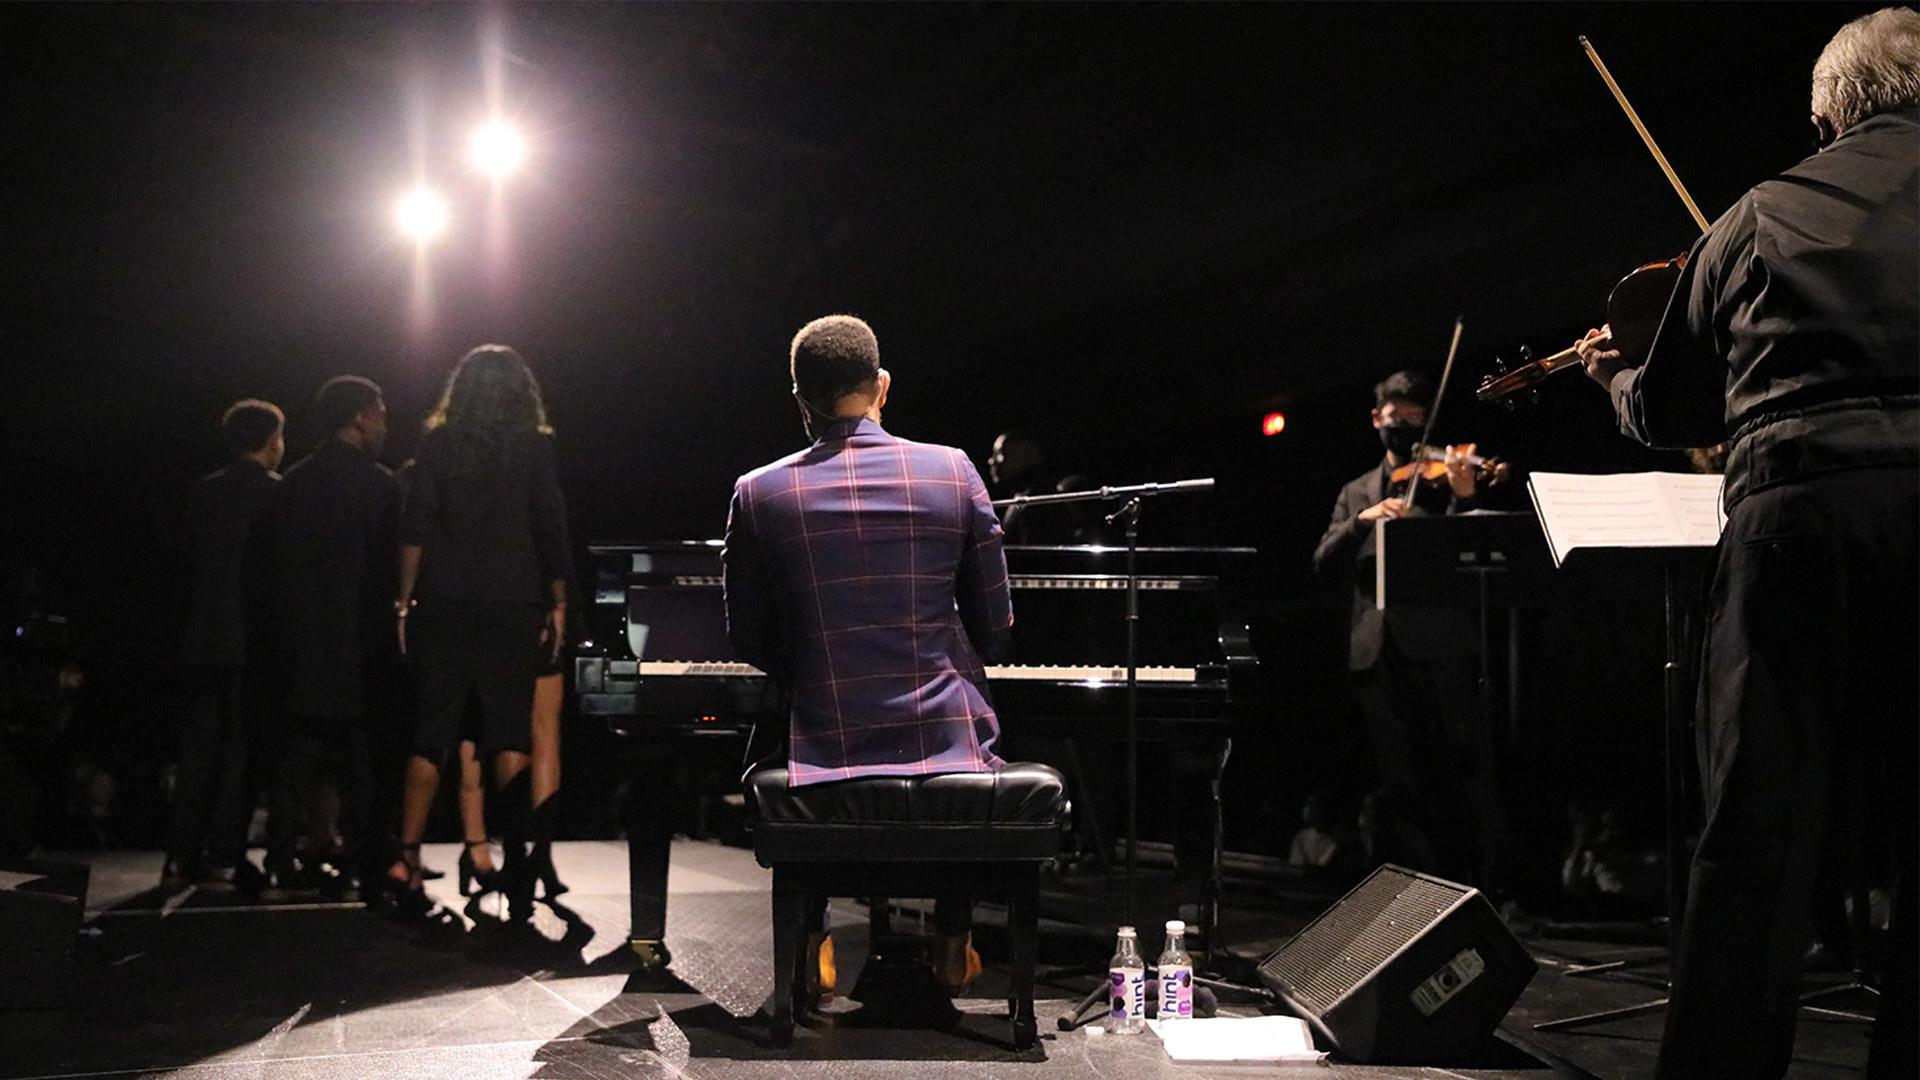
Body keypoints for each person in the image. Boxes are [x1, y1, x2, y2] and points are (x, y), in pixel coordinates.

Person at [1573, 10, 1918, 1076]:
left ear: (1825, 111)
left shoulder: (1761, 214)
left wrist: (1611, 378)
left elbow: (1673, 407)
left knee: (1758, 833)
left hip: (1798, 532)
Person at [724, 314, 1013, 993]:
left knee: (779, 732)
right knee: (968, 733)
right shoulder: (954, 469)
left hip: (822, 737)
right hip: (941, 733)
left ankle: (813, 933)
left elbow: (747, 638)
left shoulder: (757, 491)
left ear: (800, 401)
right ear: (882, 386)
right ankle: (952, 935)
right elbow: (995, 624)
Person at [1311, 369, 1516, 892]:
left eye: (1412, 417)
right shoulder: (1356, 491)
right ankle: (1409, 889)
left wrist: (1465, 496)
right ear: (1376, 420)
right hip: (1377, 650)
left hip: (1439, 643)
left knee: (1455, 769)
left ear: (1426, 419)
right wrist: (1363, 521)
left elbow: (1475, 552)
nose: (1400, 425)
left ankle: (1467, 884)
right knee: (1396, 778)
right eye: (1392, 417)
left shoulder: (1442, 478)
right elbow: (1322, 560)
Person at [387, 345, 571, 925]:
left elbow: (416, 522)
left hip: (444, 599)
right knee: (510, 734)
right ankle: (517, 864)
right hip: (512, 601)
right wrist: (559, 600)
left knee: (431, 732)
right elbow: (551, 523)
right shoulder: (534, 446)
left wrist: (404, 599)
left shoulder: (438, 443)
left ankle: (406, 857)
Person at [269, 376, 399, 893]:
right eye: (381, 411)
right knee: (363, 762)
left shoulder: (294, 483)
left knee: (296, 758)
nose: (386, 422)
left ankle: (282, 853)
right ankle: (365, 860)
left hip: (301, 641)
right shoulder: (382, 486)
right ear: (362, 418)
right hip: (361, 643)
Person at [164, 400, 284, 890]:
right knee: (241, 750)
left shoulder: (203, 492)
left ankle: (180, 852)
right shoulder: (276, 495)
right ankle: (226, 851)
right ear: (271, 440)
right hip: (250, 638)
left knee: (197, 750)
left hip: (201, 636)